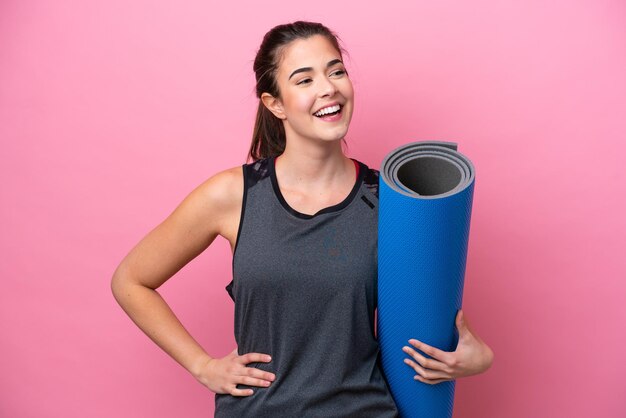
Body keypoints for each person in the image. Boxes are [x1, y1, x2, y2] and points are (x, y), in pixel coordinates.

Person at [111, 21, 494, 417]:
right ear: (275, 104)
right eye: (304, 79)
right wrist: (201, 365)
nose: (328, 87)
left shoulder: (392, 203)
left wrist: (478, 357)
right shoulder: (233, 195)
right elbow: (131, 280)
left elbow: (425, 313)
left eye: (336, 71)